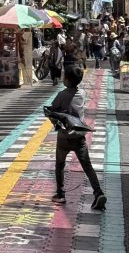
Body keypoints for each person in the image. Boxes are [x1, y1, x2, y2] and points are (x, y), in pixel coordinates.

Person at [45, 65, 106, 211]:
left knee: (60, 164)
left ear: (66, 80)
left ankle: (60, 194)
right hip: (79, 136)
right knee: (87, 166)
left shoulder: (61, 95)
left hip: (64, 137)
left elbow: (53, 110)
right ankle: (98, 192)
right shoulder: (82, 93)